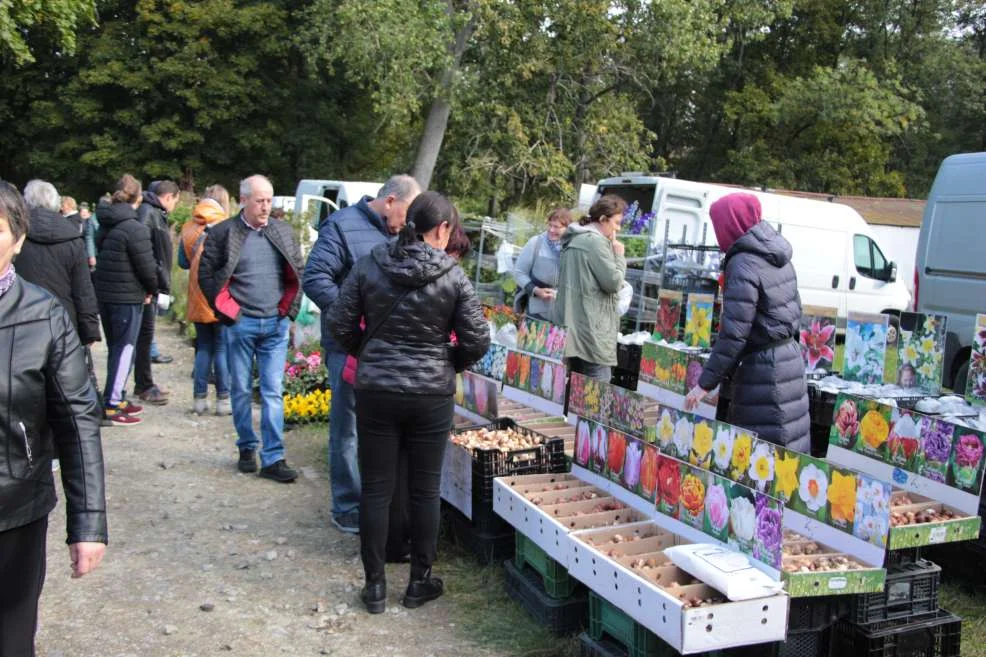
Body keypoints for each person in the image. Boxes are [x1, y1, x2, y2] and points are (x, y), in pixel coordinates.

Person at [330, 191, 489, 614]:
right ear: (441, 230)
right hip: (430, 395)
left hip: (377, 390)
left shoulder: (370, 263)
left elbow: (339, 322)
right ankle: (419, 581)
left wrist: (370, 353)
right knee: (424, 490)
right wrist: (446, 361)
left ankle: (375, 586)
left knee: (376, 489)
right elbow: (477, 340)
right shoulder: (453, 276)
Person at [0, 183, 107, 656]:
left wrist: (87, 523)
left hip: (14, 508)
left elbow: (78, 421)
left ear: (18, 240)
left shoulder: (43, 317)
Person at [302, 174, 421, 533]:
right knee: (347, 429)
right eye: (407, 210)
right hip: (348, 346)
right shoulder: (340, 226)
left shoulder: (400, 233)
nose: (408, 220)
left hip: (390, 349)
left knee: (382, 430)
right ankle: (347, 505)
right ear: (390, 201)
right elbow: (315, 277)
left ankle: (378, 502)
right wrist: (354, 315)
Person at [684, 193, 810, 452]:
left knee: (763, 454)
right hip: (790, 363)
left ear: (729, 225)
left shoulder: (742, 264)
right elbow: (795, 311)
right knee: (791, 449)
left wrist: (704, 384)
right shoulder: (777, 255)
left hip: (763, 372)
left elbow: (734, 334)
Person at [198, 174, 304, 483]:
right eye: (260, 200)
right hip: (240, 323)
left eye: (269, 200)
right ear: (243, 200)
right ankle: (246, 447)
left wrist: (287, 311)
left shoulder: (283, 231)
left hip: (274, 322)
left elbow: (299, 271)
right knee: (241, 390)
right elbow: (206, 275)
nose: (266, 207)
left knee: (272, 392)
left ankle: (273, 457)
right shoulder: (222, 233)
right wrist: (229, 311)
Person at [93, 174, 158, 426]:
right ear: (138, 198)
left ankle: (116, 396)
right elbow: (146, 266)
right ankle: (111, 403)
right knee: (124, 350)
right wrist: (152, 288)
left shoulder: (105, 223)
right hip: (127, 297)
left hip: (106, 295)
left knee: (115, 349)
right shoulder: (135, 228)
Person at [18, 179, 101, 347]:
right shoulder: (73, 238)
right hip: (62, 321)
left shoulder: (15, 237)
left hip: (20, 321)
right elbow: (83, 288)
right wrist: (89, 329)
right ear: (56, 204)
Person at [553, 195, 627, 382]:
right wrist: (619, 256)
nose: (618, 229)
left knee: (575, 388)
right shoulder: (596, 242)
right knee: (597, 391)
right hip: (593, 329)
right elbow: (613, 283)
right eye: (616, 223)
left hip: (572, 326)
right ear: (603, 219)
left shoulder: (575, 239)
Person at [179, 184, 231, 416]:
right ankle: (223, 399)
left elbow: (182, 262)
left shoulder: (188, 227)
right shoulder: (227, 226)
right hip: (220, 293)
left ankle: (199, 399)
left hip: (197, 293)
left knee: (203, 347)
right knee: (221, 348)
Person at [134, 180, 180, 404]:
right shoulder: (149, 213)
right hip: (146, 287)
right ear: (169, 197)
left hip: (151, 284)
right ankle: (143, 384)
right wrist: (152, 284)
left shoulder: (153, 212)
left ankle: (144, 382)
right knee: (143, 336)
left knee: (145, 336)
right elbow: (146, 253)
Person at [512, 207, 573, 321]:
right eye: (550, 225)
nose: (551, 230)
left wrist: (558, 294)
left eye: (556, 227)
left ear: (567, 229)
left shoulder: (573, 248)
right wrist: (536, 291)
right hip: (536, 311)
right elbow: (519, 272)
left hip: (562, 314)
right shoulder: (536, 242)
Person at [80, 201, 99, 270]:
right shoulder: (79, 222)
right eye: (83, 212)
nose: (84, 214)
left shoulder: (91, 220)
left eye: (86, 212)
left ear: (89, 213)